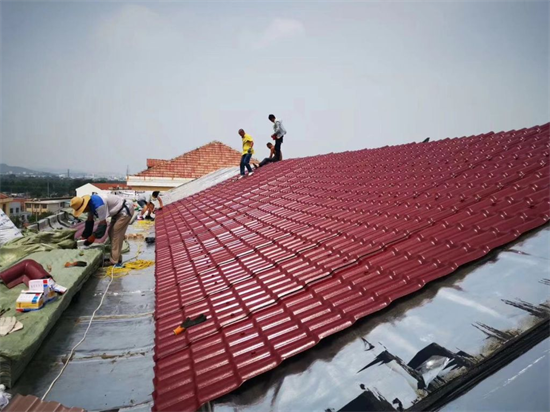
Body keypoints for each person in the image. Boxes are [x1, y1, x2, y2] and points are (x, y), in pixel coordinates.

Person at [70, 193, 134, 267]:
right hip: (117, 212)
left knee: (115, 234)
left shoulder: (99, 205)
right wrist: (85, 236)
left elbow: (103, 224)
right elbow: (89, 220)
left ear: (85, 206)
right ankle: (116, 258)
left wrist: (93, 236)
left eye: (82, 210)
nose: (83, 212)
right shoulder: (90, 205)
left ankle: (114, 261)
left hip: (125, 210)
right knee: (111, 232)